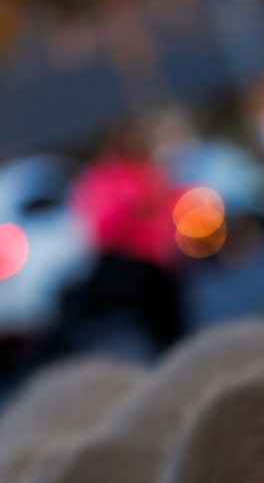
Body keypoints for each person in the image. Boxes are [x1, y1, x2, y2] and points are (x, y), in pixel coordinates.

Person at [65, 130, 187, 353]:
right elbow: (103, 228)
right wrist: (137, 211)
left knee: (177, 326)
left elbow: (167, 202)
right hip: (134, 265)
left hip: (162, 261)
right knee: (157, 333)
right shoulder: (101, 180)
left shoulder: (142, 169)